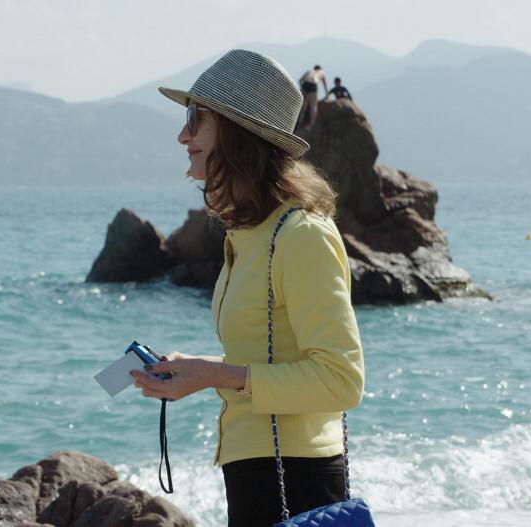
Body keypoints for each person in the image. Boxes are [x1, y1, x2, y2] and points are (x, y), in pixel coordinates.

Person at [135, 49, 365, 527]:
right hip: (258, 473)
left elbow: (341, 379)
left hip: (296, 478)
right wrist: (198, 371)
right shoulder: (248, 234)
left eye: (195, 119)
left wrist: (216, 374)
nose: (182, 136)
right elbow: (269, 356)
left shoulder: (301, 235)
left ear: (236, 133)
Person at [297, 65, 328, 129]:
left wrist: (302, 89)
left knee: (303, 103)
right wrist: (327, 94)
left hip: (305, 84)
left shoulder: (309, 71)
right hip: (313, 84)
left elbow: (300, 81)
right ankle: (312, 124)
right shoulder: (321, 72)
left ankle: (300, 119)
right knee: (313, 105)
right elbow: (325, 84)